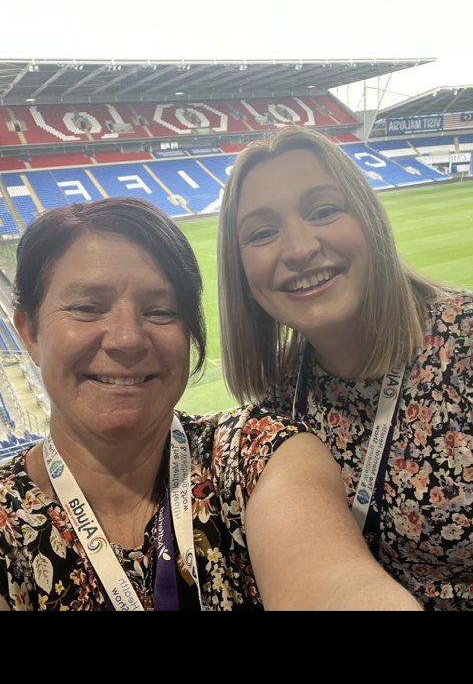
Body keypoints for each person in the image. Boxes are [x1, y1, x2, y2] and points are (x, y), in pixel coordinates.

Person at [0, 196, 422, 612]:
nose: (127, 338)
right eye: (89, 308)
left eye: (160, 311)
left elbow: (339, 585)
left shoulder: (253, 453)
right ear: (31, 333)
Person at [218, 125, 473, 611]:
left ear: (368, 220)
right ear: (240, 270)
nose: (298, 249)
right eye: (263, 232)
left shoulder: (466, 344)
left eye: (322, 211)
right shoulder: (276, 402)